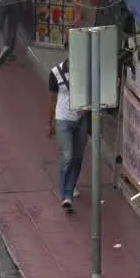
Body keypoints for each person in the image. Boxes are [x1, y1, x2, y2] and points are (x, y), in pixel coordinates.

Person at [48, 57, 88, 210]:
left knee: (78, 157)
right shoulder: (55, 73)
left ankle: (72, 185)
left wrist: (87, 108)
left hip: (81, 120)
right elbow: (52, 99)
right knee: (68, 155)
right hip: (63, 119)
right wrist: (49, 123)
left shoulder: (85, 72)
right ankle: (66, 194)